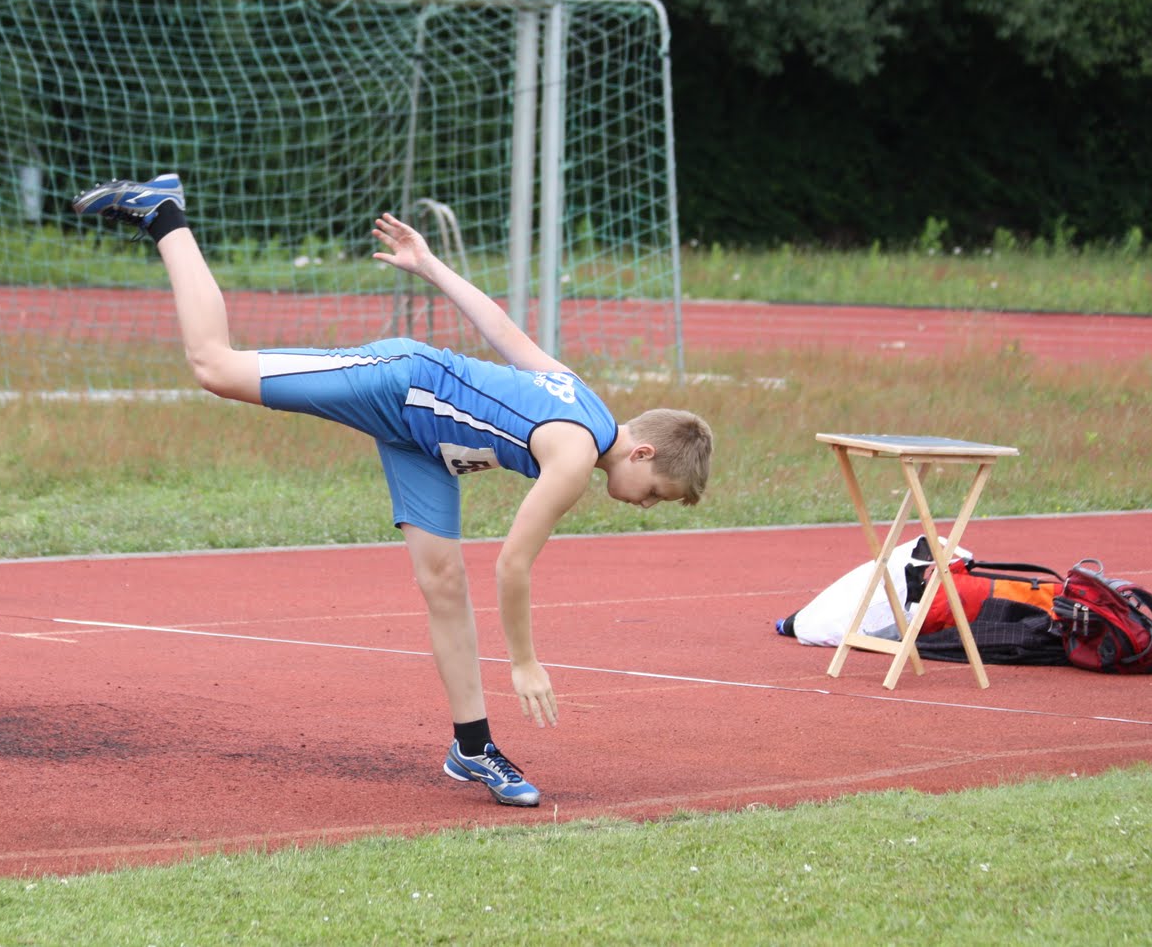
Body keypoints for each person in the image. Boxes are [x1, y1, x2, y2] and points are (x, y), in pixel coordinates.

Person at [71, 174, 713, 807]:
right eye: (656, 491)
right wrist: (523, 661)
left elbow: (504, 332)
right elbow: (513, 565)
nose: (646, 504)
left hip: (425, 443)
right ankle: (164, 214)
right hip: (400, 382)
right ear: (644, 452)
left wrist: (430, 266)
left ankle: (472, 746)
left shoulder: (587, 402)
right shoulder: (574, 455)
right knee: (216, 366)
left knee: (443, 581)